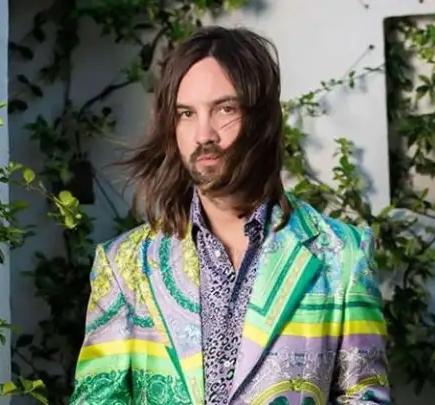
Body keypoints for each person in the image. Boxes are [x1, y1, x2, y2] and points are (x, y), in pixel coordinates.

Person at [69, 25, 390, 405]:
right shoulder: (125, 265)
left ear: (261, 118)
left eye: (225, 109)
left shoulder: (342, 256)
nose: (203, 134)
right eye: (186, 113)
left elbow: (364, 399)